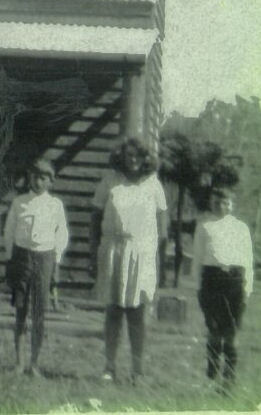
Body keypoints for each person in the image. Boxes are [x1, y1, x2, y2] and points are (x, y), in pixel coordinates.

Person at [97, 137, 167, 383]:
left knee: (138, 313)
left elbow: (162, 225)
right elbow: (95, 218)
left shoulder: (153, 185)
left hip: (143, 252)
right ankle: (109, 366)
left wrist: (161, 259)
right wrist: (91, 254)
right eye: (129, 156)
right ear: (121, 157)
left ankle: (138, 370)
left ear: (145, 158)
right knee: (113, 311)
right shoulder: (110, 181)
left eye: (138, 156)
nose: (133, 160)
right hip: (114, 250)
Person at [2, 159, 69, 377]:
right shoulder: (19, 202)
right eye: (35, 177)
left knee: (39, 312)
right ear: (29, 178)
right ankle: (19, 362)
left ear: (51, 181)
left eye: (43, 178)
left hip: (45, 258)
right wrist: (10, 257)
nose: (38, 182)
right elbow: (9, 231)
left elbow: (61, 235)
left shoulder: (55, 205)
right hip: (22, 257)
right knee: (20, 310)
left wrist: (56, 260)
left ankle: (35, 363)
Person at [193, 186, 253, 391]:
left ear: (232, 204)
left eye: (226, 203)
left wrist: (248, 288)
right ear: (211, 203)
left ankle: (229, 378)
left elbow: (248, 260)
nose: (221, 206)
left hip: (235, 281)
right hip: (211, 279)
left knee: (232, 332)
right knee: (214, 329)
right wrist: (197, 286)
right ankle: (212, 371)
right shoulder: (204, 226)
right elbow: (198, 259)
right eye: (217, 202)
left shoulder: (241, 228)